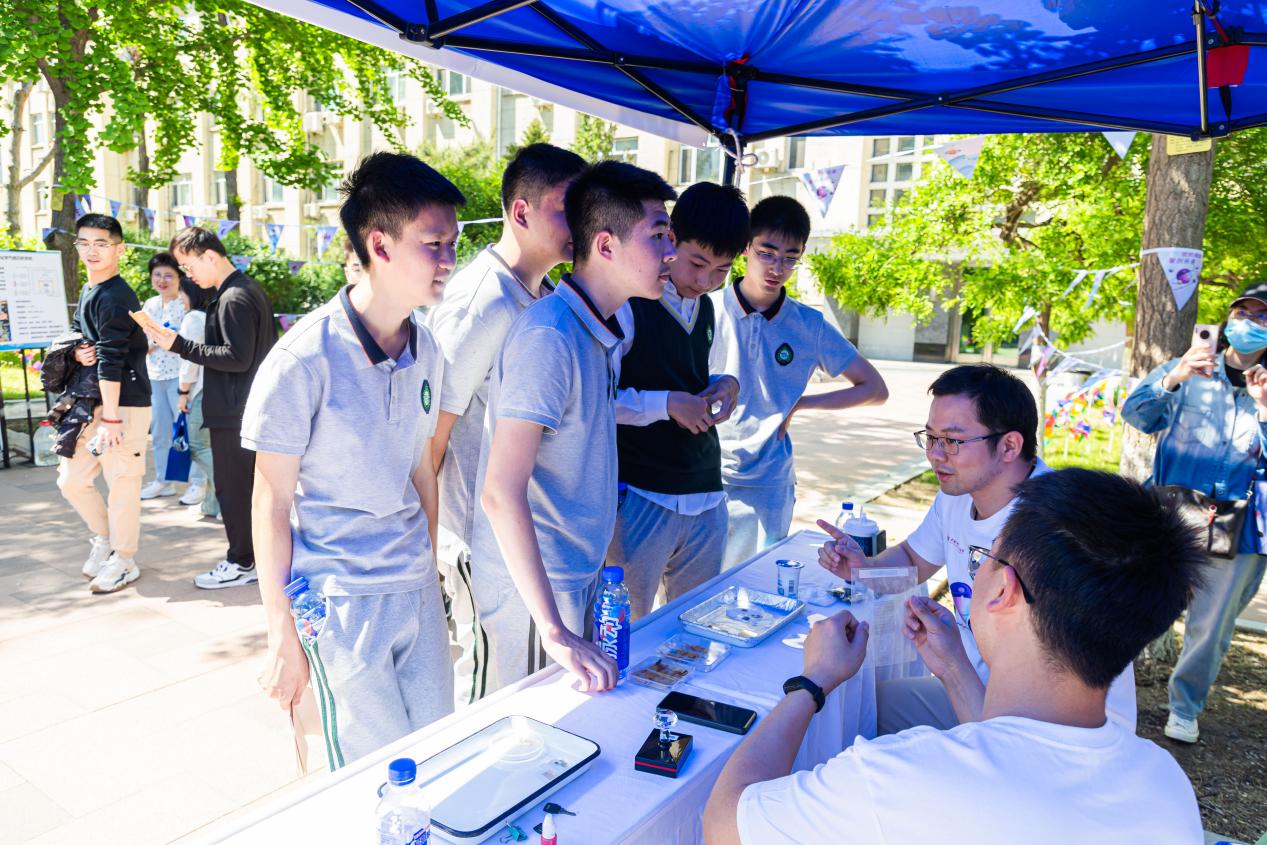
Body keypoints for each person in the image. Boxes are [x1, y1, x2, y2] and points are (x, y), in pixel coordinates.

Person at [704, 469, 1205, 845]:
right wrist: (952, 668)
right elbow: (1008, 747)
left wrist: (813, 682)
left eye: (986, 558)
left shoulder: (901, 778)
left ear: (1003, 589)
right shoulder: (1166, 786)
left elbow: (725, 824)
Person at [247, 151, 462, 766]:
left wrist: (427, 568)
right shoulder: (302, 359)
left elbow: (421, 470)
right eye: (434, 244)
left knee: (437, 756)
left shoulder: (428, 349)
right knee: (373, 779)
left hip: (415, 589)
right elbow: (271, 503)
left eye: (452, 244)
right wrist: (281, 634)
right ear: (380, 245)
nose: (449, 260)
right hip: (340, 602)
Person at [817, 364, 1135, 733]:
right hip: (978, 687)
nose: (935, 454)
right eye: (930, 437)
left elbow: (1049, 689)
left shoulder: (1055, 528)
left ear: (1009, 446)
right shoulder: (957, 494)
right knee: (863, 707)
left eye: (953, 441)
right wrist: (862, 568)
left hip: (1051, 722)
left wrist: (955, 671)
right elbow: (912, 561)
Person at [471, 160, 677, 693]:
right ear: (606, 245)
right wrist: (553, 629)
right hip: (535, 592)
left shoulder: (598, 329)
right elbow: (499, 491)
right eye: (658, 235)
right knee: (518, 734)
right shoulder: (550, 336)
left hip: (575, 578)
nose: (671, 253)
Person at [427, 142, 586, 706]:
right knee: (486, 699)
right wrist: (430, 546)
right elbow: (431, 434)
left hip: (520, 540)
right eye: (567, 210)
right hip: (479, 543)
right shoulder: (483, 302)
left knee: (527, 696)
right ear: (521, 212)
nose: (582, 225)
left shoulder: (542, 295)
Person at [1121, 283, 1267, 744]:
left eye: (1261, 317)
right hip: (1175, 510)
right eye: (1242, 312)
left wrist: (1264, 411)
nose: (1248, 322)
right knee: (1139, 601)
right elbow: (1137, 414)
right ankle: (1102, 686)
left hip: (1239, 524)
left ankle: (1184, 708)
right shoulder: (1190, 368)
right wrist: (1174, 377)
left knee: (1211, 627)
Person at [710, 195, 888, 568]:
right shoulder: (707, 309)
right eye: (767, 253)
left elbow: (874, 389)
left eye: (790, 258)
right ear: (746, 248)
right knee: (698, 587)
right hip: (705, 475)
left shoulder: (809, 325)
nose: (777, 267)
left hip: (770, 483)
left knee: (758, 582)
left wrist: (803, 403)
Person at [607, 182, 746, 618]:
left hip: (706, 494)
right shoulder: (628, 304)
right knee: (626, 629)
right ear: (670, 239)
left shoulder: (708, 309)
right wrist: (665, 403)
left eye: (722, 270)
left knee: (696, 628)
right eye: (697, 263)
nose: (705, 281)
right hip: (642, 494)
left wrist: (726, 384)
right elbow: (596, 401)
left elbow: (693, 376)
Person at [142, 227, 275, 589]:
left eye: (188, 266)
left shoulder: (234, 297)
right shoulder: (239, 291)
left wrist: (179, 345)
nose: (188, 275)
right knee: (243, 491)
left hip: (235, 411)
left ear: (210, 256)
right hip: (241, 407)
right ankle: (254, 558)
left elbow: (236, 357)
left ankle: (242, 561)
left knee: (234, 491)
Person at [56, 213, 152, 593]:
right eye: (84, 243)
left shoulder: (115, 297)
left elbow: (112, 359)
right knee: (72, 480)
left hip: (123, 406)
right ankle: (106, 539)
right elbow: (79, 330)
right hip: (92, 401)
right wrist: (77, 351)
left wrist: (111, 419)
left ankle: (125, 560)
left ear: (119, 249)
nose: (91, 251)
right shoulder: (90, 289)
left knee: (122, 485)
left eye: (101, 244)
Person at [138, 253, 204, 503]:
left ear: (179, 278)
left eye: (169, 275)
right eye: (157, 275)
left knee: (187, 431)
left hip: (181, 377)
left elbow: (187, 343)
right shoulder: (149, 305)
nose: (162, 280)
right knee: (160, 432)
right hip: (155, 375)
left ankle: (198, 482)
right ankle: (163, 481)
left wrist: (161, 340)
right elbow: (144, 342)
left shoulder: (186, 305)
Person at [174, 276, 219, 520]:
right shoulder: (212, 316)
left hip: (200, 389)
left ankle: (228, 498)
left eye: (182, 292)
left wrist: (183, 392)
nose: (179, 298)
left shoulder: (192, 319)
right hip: (216, 389)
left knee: (198, 446)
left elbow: (189, 361)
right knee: (209, 446)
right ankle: (212, 504)